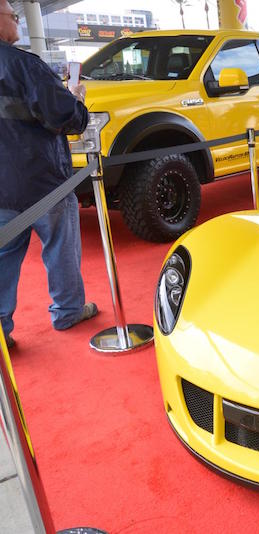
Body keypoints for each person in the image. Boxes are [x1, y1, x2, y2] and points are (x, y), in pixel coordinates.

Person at [0, 0, 98, 349]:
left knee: (4, 253)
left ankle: (1, 330)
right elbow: (65, 116)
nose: (17, 22)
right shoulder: (23, 66)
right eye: (13, 16)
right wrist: (76, 99)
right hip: (42, 182)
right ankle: (68, 311)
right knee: (60, 245)